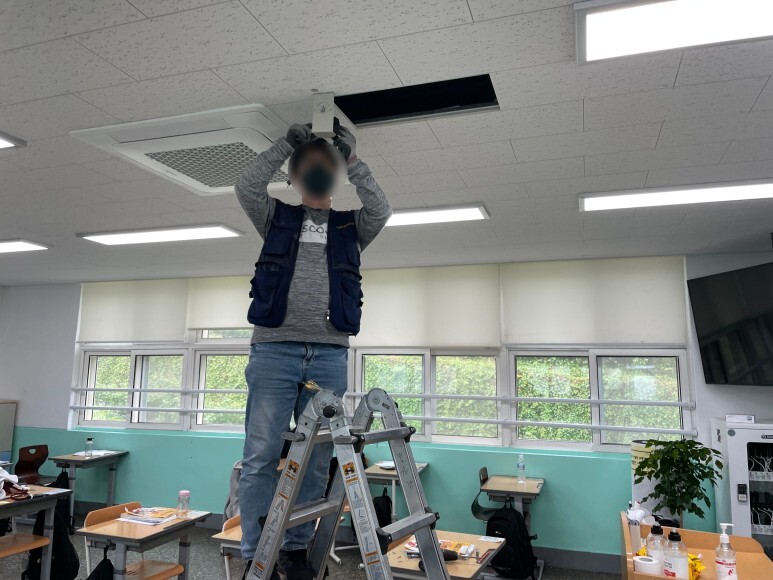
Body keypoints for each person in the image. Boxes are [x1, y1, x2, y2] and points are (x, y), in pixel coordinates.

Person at [235, 120, 392, 579]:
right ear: (294, 176)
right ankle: (256, 554)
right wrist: (286, 144)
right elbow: (246, 186)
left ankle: (295, 548)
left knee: (317, 459)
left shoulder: (350, 226)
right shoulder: (277, 217)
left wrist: (353, 160)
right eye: (310, 165)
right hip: (274, 351)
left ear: (336, 174)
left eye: (328, 164)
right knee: (261, 455)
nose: (320, 170)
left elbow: (381, 208)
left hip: (328, 354)